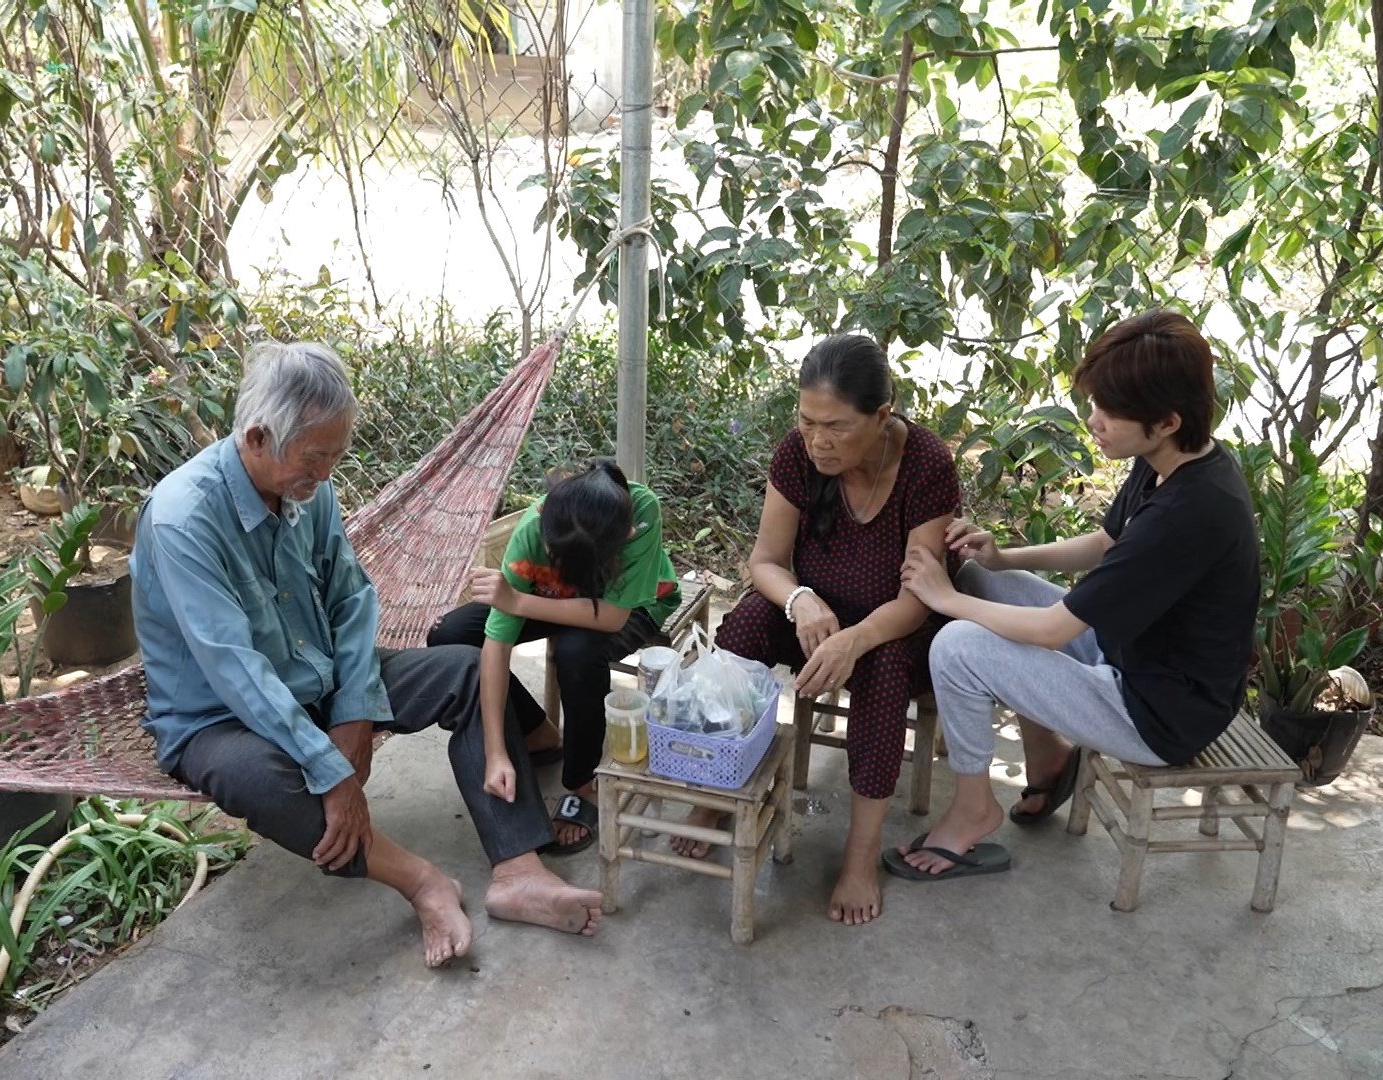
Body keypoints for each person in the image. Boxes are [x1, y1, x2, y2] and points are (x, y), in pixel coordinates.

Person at [130, 341, 603, 968]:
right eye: (316, 456)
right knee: (262, 780)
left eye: (335, 455)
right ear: (257, 437)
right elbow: (235, 669)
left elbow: (352, 598)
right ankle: (421, 881)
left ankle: (519, 868)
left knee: (464, 673)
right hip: (219, 716)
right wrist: (332, 770)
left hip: (318, 681)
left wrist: (353, 714)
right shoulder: (182, 519)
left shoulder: (305, 491)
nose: (326, 474)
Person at [889, 310, 1260, 880]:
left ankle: (972, 810)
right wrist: (1002, 556)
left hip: (1158, 712)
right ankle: (1050, 756)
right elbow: (1106, 542)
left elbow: (1052, 631)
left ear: (1165, 420)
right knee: (981, 581)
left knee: (958, 644)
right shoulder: (1172, 460)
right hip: (1127, 653)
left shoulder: (1193, 513)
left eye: (1110, 412)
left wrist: (942, 600)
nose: (1094, 420)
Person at [681, 333, 960, 926]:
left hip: (895, 626)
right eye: (807, 421)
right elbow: (764, 564)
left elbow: (920, 595)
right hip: (818, 612)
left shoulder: (928, 466)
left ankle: (859, 858)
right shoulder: (797, 455)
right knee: (748, 625)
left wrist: (856, 639)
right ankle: (714, 794)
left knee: (882, 675)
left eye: (835, 426)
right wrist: (802, 600)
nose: (817, 440)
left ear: (882, 417)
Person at [427, 460, 680, 854]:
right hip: (546, 600)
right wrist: (495, 752)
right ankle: (536, 733)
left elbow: (613, 618)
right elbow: (497, 642)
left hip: (631, 606)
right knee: (451, 635)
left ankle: (582, 780)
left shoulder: (641, 512)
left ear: (624, 537)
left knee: (576, 651)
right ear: (545, 518)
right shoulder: (536, 526)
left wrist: (516, 600)